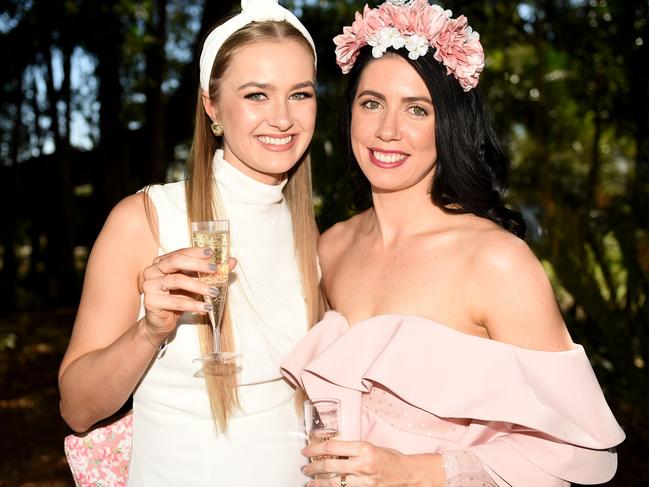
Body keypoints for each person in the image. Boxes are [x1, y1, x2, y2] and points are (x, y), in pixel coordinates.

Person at [281, 1, 625, 486]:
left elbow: (576, 448)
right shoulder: (330, 247)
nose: (387, 130)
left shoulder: (496, 263)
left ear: (449, 125)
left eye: (417, 109)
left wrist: (411, 471)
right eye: (372, 103)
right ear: (350, 114)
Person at [58, 0, 324, 485]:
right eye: (257, 95)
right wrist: (150, 331)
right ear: (212, 105)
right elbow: (77, 408)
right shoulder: (146, 219)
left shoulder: (314, 238)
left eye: (300, 94)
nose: (283, 118)